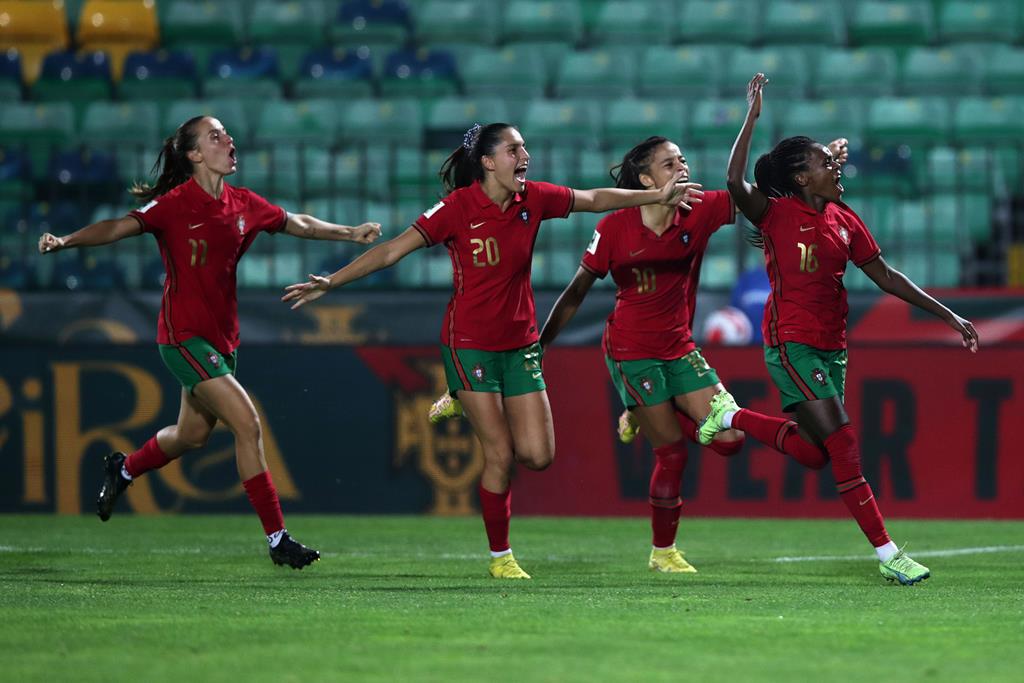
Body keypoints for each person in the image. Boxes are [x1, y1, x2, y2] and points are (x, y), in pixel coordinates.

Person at [282, 122, 702, 579]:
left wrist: (653, 197)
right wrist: (332, 281)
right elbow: (391, 252)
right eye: (514, 149)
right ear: (486, 161)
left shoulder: (533, 199)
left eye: (524, 148)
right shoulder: (457, 208)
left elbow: (594, 199)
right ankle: (501, 558)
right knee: (499, 454)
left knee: (538, 456)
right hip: (470, 345)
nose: (525, 156)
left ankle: (459, 397)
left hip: (520, 343)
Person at [38, 115, 382, 569]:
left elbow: (294, 221)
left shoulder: (243, 203)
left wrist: (349, 232)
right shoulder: (173, 205)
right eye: (215, 136)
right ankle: (278, 539)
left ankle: (123, 469)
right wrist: (65, 241)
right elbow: (118, 227)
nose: (229, 139)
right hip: (183, 337)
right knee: (248, 424)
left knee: (191, 435)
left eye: (227, 133)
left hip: (222, 339)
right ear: (195, 154)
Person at [712, 73, 978, 585]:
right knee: (845, 442)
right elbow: (732, 182)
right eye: (822, 162)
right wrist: (752, 117)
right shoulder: (775, 214)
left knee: (815, 453)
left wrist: (947, 313)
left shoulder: (843, 218)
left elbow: (884, 275)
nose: (836, 166)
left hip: (832, 349)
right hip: (791, 344)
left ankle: (733, 415)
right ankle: (889, 554)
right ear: (800, 178)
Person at [536, 135, 840, 573]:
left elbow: (761, 200)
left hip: (680, 348)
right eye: (668, 163)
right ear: (645, 179)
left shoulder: (700, 209)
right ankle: (663, 553)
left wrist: (813, 167)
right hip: (631, 350)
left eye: (682, 160)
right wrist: (542, 345)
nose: (682, 168)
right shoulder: (615, 226)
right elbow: (576, 292)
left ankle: (644, 409)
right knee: (673, 454)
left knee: (730, 441)